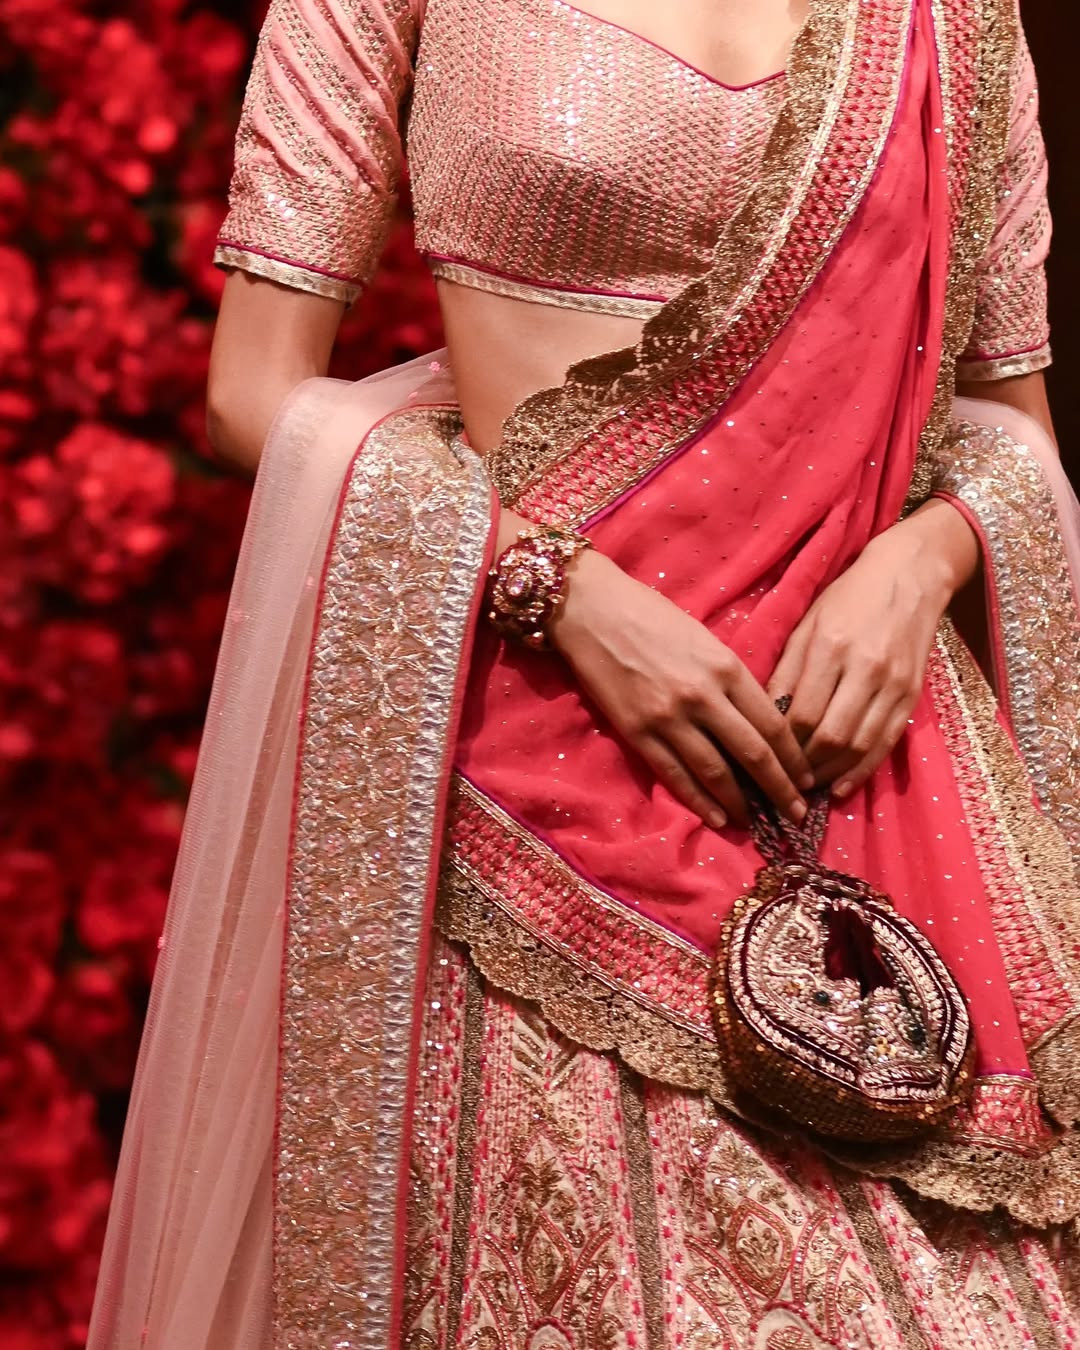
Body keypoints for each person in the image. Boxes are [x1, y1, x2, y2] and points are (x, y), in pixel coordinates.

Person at [87, 0, 1080, 1345]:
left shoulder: (952, 20)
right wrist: (556, 585)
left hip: (863, 784)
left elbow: (1011, 437)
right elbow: (252, 391)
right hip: (538, 772)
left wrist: (920, 562)